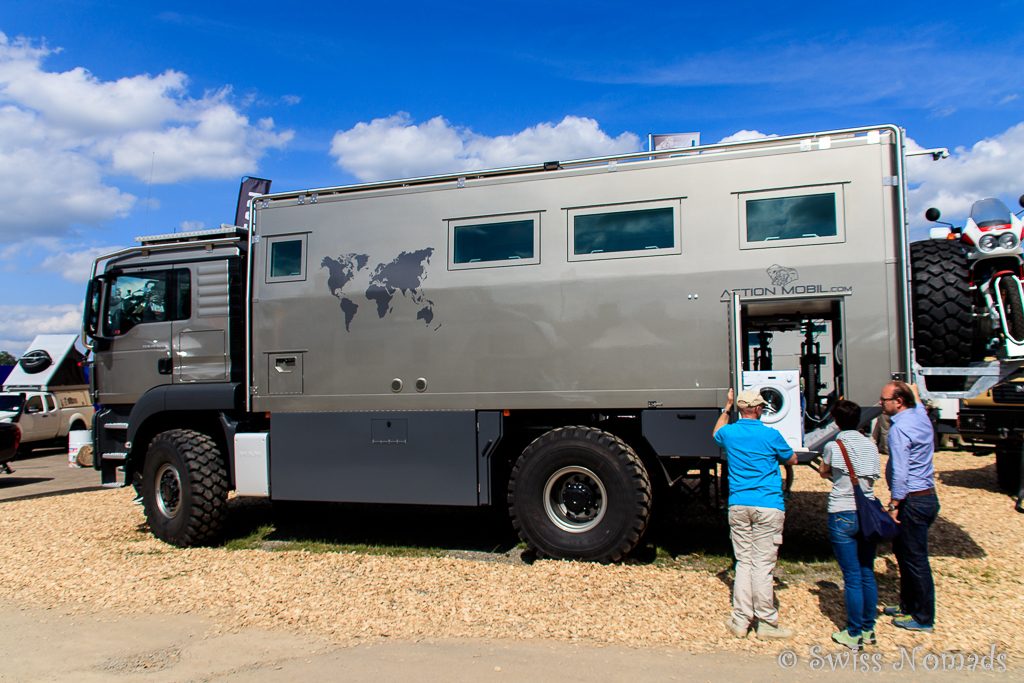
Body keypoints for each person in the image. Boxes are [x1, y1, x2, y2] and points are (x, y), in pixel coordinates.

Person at [713, 388, 798, 640]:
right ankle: (766, 623)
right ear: (759, 409)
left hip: (739, 504)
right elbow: (791, 459)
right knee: (763, 565)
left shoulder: (730, 433)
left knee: (744, 562)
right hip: (768, 505)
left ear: (740, 409)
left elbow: (716, 432)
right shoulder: (771, 435)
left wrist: (726, 408)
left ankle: (740, 621)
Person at [819, 400, 881, 650]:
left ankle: (853, 632)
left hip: (842, 511)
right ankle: (869, 628)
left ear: (836, 421)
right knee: (867, 571)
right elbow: (874, 476)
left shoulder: (834, 446)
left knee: (852, 576)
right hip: (867, 510)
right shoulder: (871, 446)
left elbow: (824, 471)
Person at [880, 381, 939, 633]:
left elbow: (901, 471)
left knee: (915, 559)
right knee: (903, 553)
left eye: (884, 400)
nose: (881, 404)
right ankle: (908, 605)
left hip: (912, 500)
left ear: (899, 402)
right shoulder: (920, 418)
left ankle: (923, 616)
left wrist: (894, 502)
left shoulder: (899, 430)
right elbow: (920, 407)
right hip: (927, 497)